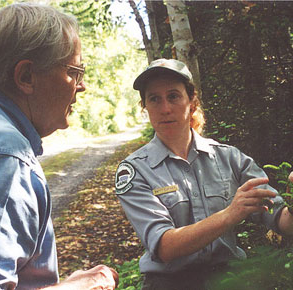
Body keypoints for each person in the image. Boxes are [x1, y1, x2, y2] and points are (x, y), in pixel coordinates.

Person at [0, 3, 118, 290]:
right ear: (26, 77)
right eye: (75, 71)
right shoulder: (1, 154)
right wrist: (79, 286)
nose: (82, 86)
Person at [114, 58, 293, 290]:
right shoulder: (136, 170)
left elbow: (279, 218)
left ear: (192, 102)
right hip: (169, 284)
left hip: (230, 278)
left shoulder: (229, 158)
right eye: (154, 99)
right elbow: (165, 246)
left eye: (174, 96)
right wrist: (230, 214)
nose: (165, 108)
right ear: (145, 107)